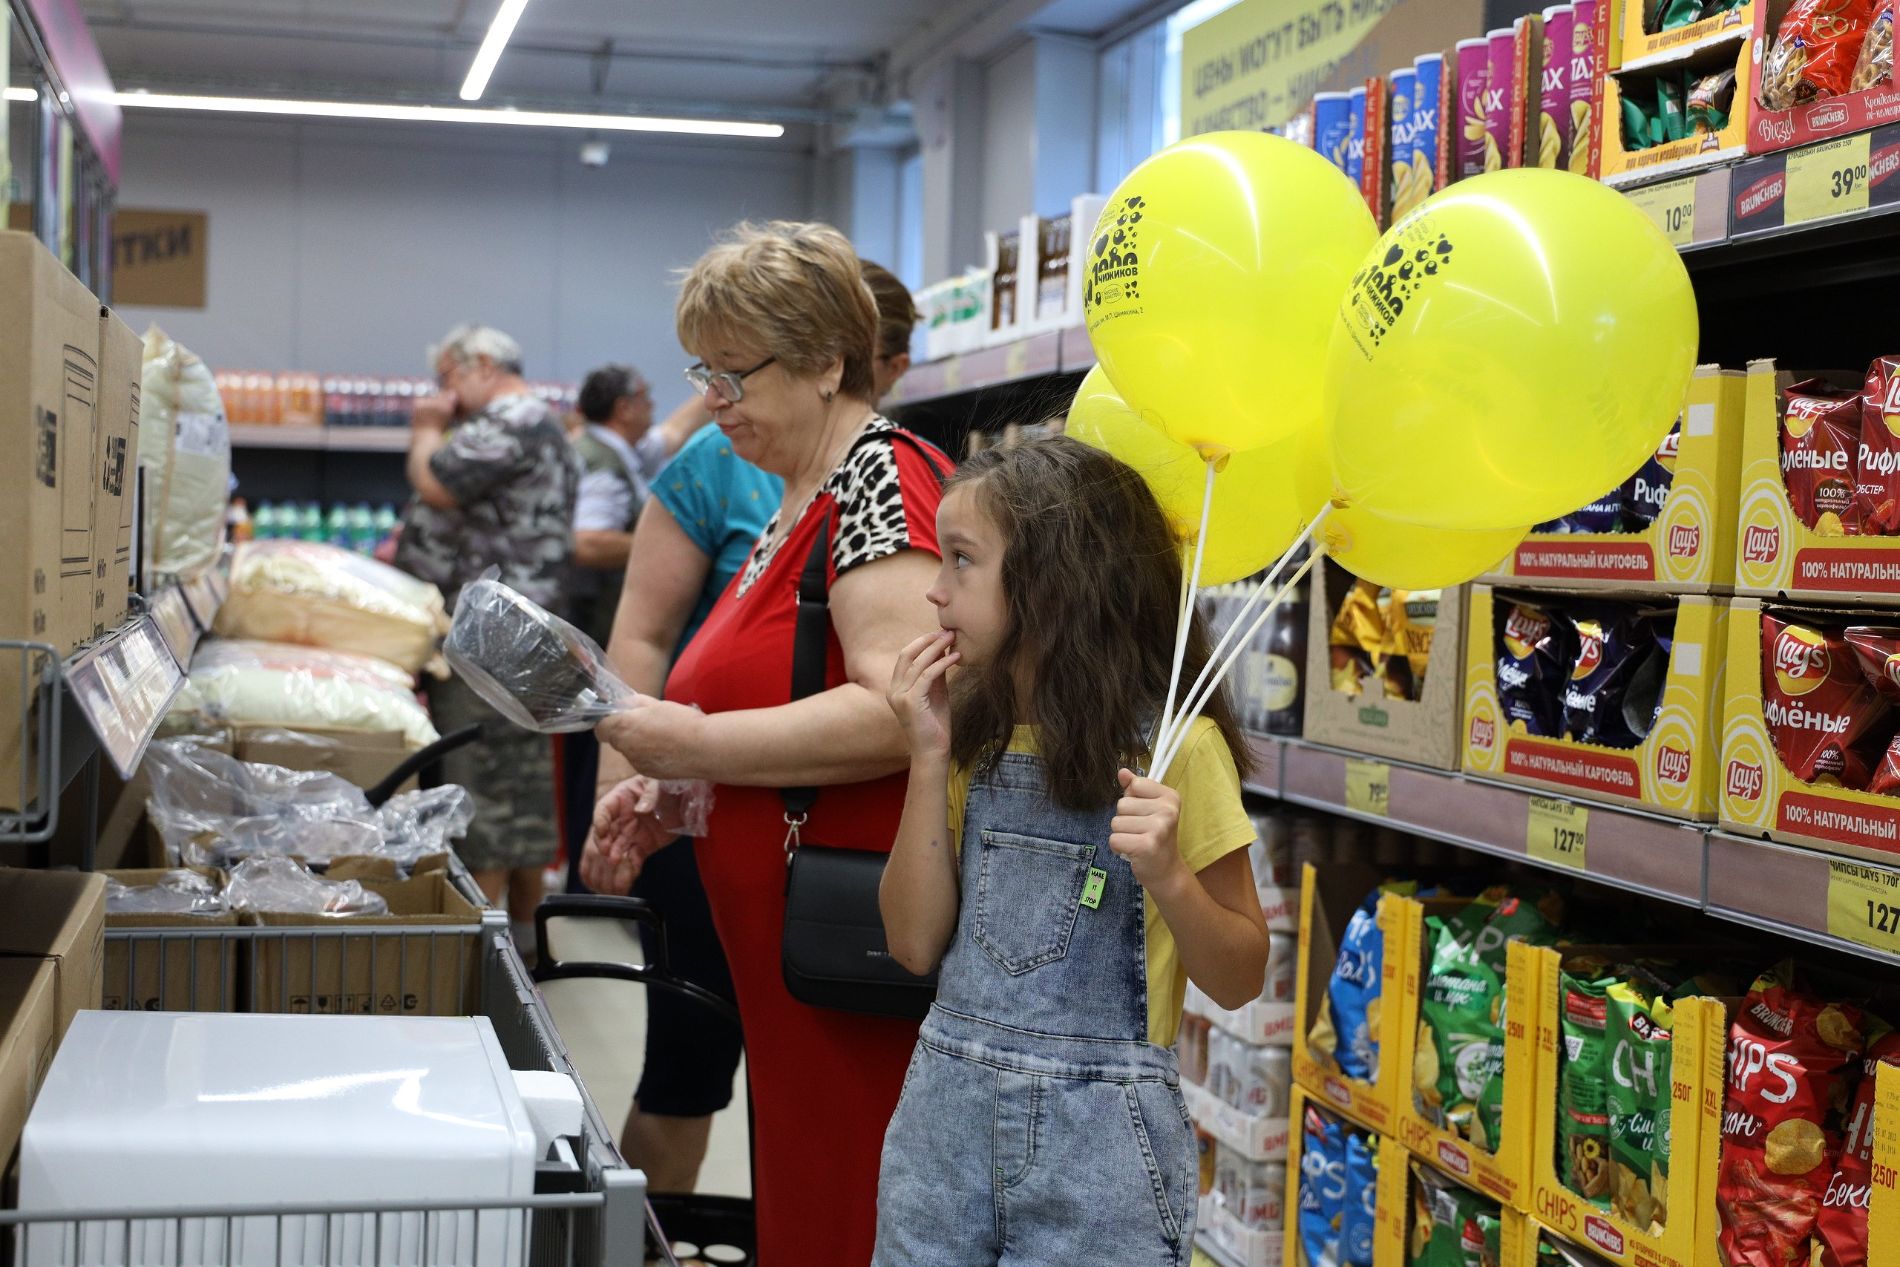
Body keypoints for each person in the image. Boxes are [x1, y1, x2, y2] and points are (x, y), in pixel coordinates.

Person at [587, 221, 947, 1264]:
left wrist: (689, 740)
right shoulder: (797, 495)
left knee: (850, 1208)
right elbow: (787, 696)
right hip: (782, 954)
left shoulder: (881, 480)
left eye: (737, 374)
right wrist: (682, 792)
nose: (715, 401)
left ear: (830, 360)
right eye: (703, 372)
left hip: (848, 952)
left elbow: (899, 709)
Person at [873, 437, 1272, 1265]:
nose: (933, 588)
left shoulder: (1178, 751)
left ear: (1054, 581)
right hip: (941, 1134)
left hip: (1105, 1158)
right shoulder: (970, 736)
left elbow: (1238, 977)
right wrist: (925, 754)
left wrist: (1167, 875)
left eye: (962, 561)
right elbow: (912, 945)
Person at [394, 323, 579, 939]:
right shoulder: (536, 422)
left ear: (479, 365)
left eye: (446, 379)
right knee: (517, 786)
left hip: (491, 639)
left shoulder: (510, 420)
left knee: (484, 791)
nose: (441, 395)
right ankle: (525, 942)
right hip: (515, 632)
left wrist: (425, 428)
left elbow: (438, 482)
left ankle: (489, 955)